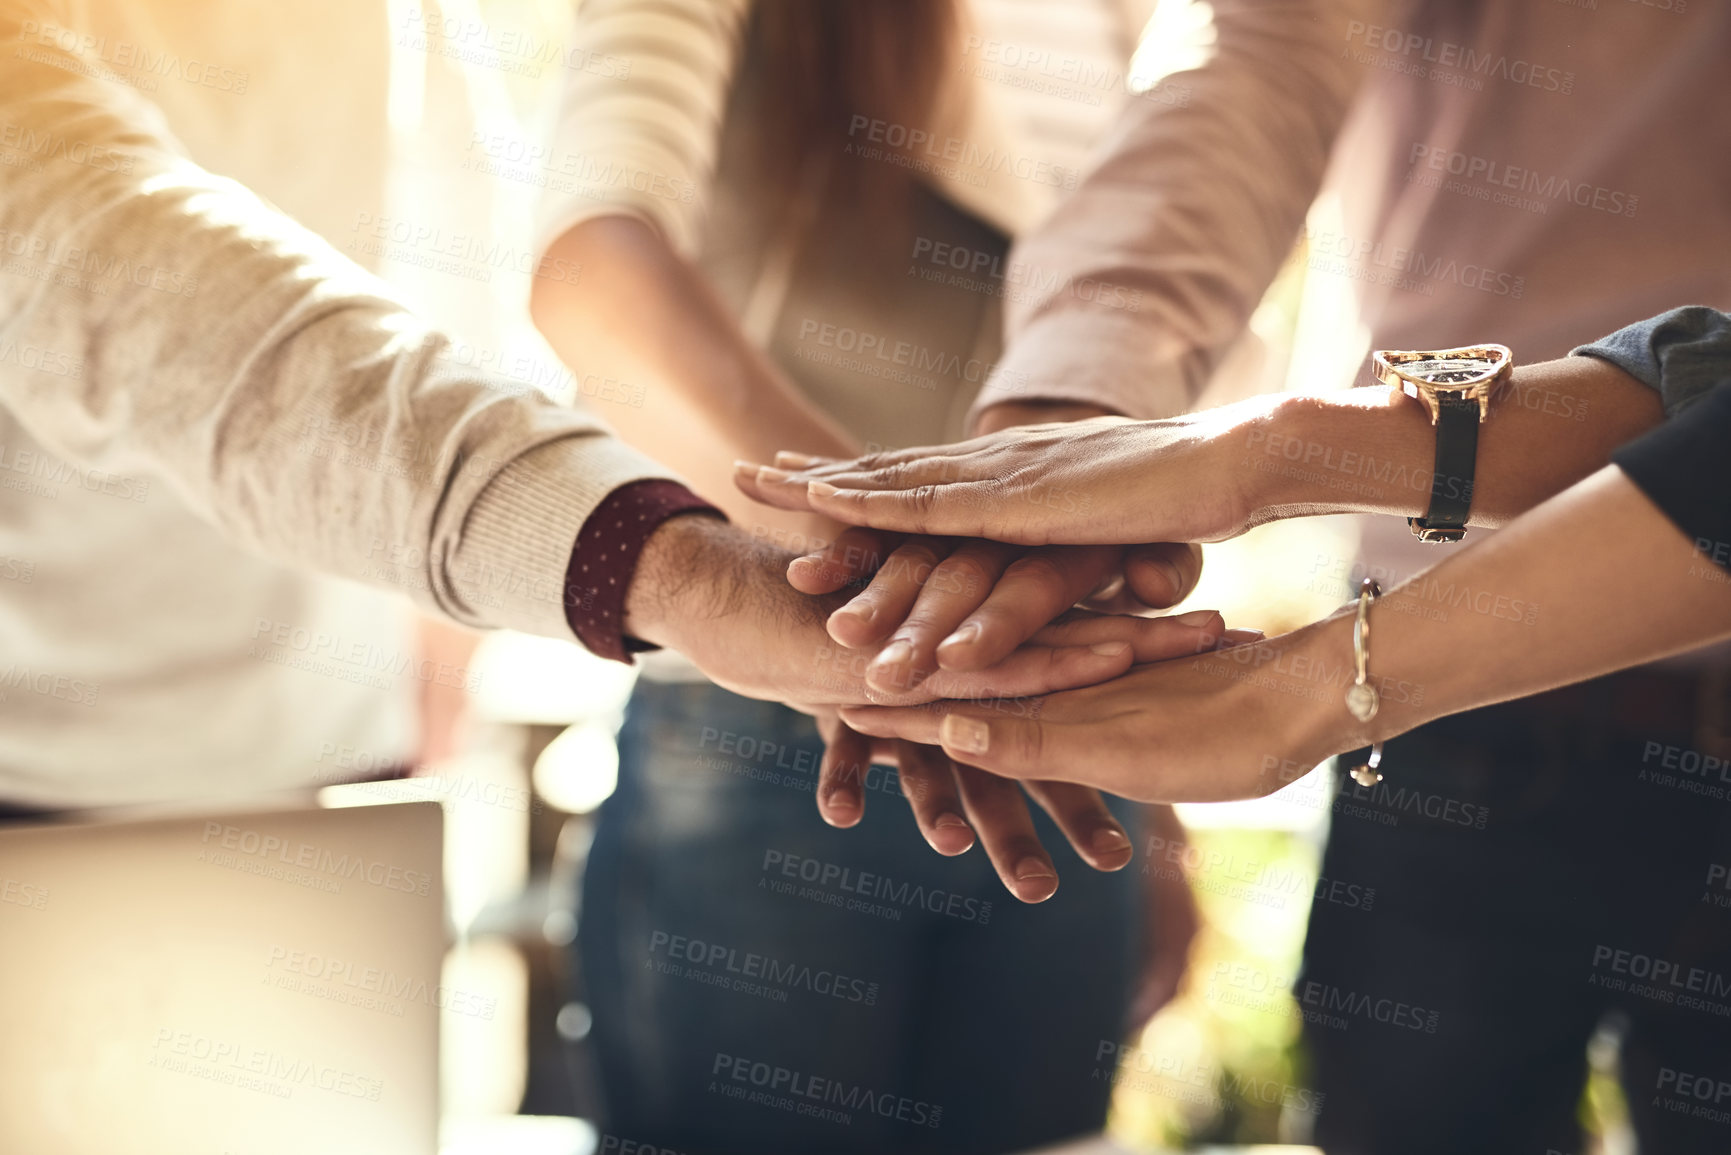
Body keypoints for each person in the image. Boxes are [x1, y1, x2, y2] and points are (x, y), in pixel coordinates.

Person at [745, 0, 1731, 1148]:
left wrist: (1311, 674)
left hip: (1417, 671)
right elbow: (1263, 54)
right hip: (1460, 723)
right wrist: (1080, 423)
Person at [0, 0, 1185, 884]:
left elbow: (447, 298)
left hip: (339, 718)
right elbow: (135, 281)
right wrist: (842, 552)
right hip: (786, 655)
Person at [524, 1, 1219, 1149]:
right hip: (765, 730)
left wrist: (1154, 803)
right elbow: (590, 260)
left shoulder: (1132, 21)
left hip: (1060, 717)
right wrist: (869, 538)